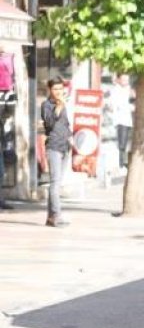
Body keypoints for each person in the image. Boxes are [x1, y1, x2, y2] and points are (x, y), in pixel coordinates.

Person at [40, 77, 72, 227]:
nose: (59, 92)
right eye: (55, 89)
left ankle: (50, 217)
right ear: (50, 90)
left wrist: (71, 139)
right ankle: (57, 215)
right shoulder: (46, 105)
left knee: (57, 183)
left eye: (60, 89)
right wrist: (58, 108)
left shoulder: (64, 104)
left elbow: (65, 124)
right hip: (53, 146)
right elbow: (49, 124)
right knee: (55, 183)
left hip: (65, 146)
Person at [107, 74, 134, 170]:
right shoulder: (115, 90)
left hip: (127, 120)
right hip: (119, 120)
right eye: (124, 79)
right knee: (121, 143)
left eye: (127, 80)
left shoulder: (129, 90)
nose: (126, 82)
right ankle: (121, 163)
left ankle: (123, 162)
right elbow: (111, 104)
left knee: (125, 142)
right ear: (119, 80)